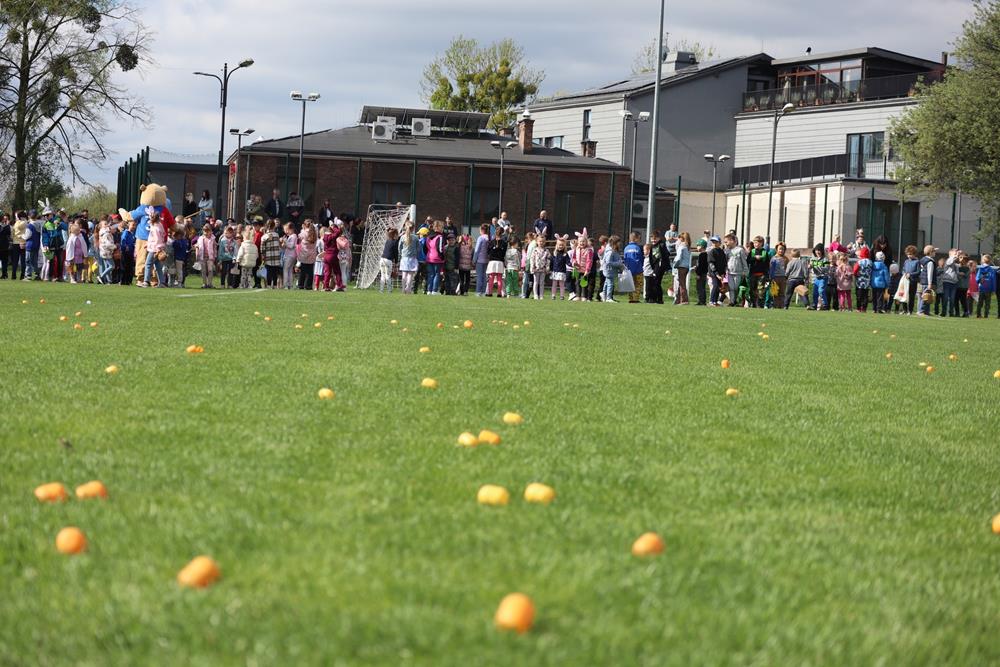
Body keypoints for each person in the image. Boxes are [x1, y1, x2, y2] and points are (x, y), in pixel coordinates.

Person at [139, 213, 166, 288]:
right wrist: (148, 244)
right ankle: (162, 282)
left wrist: (157, 250)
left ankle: (146, 281)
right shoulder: (159, 225)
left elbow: (157, 239)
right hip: (156, 248)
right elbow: (159, 237)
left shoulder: (155, 228)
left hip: (154, 249)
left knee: (148, 264)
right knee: (158, 266)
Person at [724, 234, 748, 307]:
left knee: (736, 287)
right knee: (731, 287)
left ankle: (737, 301)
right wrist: (725, 271)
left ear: (733, 241)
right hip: (730, 272)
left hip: (738, 272)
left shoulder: (740, 250)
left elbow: (744, 261)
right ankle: (732, 301)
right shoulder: (727, 251)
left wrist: (745, 271)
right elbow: (725, 261)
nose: (726, 243)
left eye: (727, 242)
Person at [398, 221, 419, 294]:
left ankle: (403, 289)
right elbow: (418, 248)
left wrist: (401, 254)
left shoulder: (402, 237)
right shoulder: (416, 237)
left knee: (404, 274)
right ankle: (408, 289)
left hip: (404, 258)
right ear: (413, 228)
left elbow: (399, 248)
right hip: (412, 258)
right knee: (410, 275)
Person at [601, 235, 624, 303]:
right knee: (610, 283)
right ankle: (608, 298)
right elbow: (608, 262)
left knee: (606, 283)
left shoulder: (613, 250)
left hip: (610, 270)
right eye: (618, 242)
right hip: (609, 270)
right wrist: (618, 263)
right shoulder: (610, 252)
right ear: (614, 243)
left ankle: (604, 296)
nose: (619, 244)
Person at [485, 227, 507, 297]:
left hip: (492, 262)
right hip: (500, 262)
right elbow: (504, 253)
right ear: (502, 233)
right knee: (499, 278)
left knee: (491, 278)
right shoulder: (504, 243)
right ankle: (499, 293)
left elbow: (488, 252)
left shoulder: (491, 242)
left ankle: (490, 293)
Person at [572, 233, 594, 302]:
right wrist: (574, 262)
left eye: (583, 241)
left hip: (585, 270)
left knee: (584, 283)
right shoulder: (577, 249)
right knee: (577, 283)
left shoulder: (589, 250)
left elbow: (589, 261)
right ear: (578, 242)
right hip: (578, 269)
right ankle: (578, 296)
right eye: (580, 241)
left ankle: (584, 296)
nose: (582, 243)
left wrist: (587, 270)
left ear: (586, 242)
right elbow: (574, 257)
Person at [623, 232, 644, 304]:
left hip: (629, 270)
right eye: (639, 238)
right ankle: (635, 299)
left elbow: (625, 259)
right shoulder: (637, 248)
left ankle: (631, 299)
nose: (640, 240)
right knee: (638, 284)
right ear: (635, 239)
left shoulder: (626, 248)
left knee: (630, 285)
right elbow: (641, 258)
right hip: (638, 270)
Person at [261, 221, 282, 289]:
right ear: (274, 226)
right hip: (276, 256)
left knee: (269, 272)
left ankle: (269, 285)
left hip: (268, 256)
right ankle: (275, 285)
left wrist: (263, 256)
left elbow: (262, 248)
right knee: (275, 272)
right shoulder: (277, 235)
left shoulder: (264, 236)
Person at [672, 231, 691, 305]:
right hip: (686, 267)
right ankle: (682, 299)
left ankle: (684, 300)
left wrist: (675, 264)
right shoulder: (687, 246)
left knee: (681, 284)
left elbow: (679, 257)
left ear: (682, 239)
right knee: (683, 283)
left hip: (681, 266)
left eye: (679, 238)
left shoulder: (681, 246)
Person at [707, 236, 727, 307]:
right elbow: (711, 263)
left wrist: (723, 273)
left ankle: (715, 301)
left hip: (720, 273)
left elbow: (724, 263)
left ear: (720, 243)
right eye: (713, 242)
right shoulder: (712, 252)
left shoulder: (722, 252)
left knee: (718, 286)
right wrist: (716, 274)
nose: (714, 243)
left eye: (716, 242)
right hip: (713, 273)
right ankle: (711, 301)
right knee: (715, 285)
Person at [195, 223, 216, 288]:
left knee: (210, 270)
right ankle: (204, 283)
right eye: (205, 231)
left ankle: (210, 283)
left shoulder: (213, 238)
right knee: (203, 271)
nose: (206, 232)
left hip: (210, 257)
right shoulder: (200, 238)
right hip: (202, 257)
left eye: (208, 231)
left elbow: (214, 248)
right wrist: (197, 255)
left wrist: (215, 256)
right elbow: (197, 247)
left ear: (211, 231)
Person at [530, 234, 550, 300]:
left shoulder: (546, 251)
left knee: (541, 282)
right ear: (537, 242)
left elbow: (548, 259)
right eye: (540, 241)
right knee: (535, 282)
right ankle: (535, 294)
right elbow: (532, 259)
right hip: (536, 269)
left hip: (543, 269)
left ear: (545, 242)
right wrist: (532, 267)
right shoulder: (534, 250)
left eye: (543, 241)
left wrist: (547, 267)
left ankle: (541, 295)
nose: (541, 243)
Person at [809, 244, 829, 310]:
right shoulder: (813, 258)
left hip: (823, 278)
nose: (818, 252)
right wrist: (810, 266)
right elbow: (810, 265)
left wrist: (815, 264)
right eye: (817, 250)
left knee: (821, 291)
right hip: (816, 278)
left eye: (819, 250)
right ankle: (814, 305)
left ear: (822, 251)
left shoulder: (825, 259)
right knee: (815, 292)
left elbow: (826, 268)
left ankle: (825, 305)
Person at [901, 245, 920, 315]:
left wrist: (910, 274)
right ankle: (904, 310)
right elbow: (903, 269)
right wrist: (904, 274)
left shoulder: (917, 261)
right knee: (904, 295)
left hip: (913, 281)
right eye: (908, 254)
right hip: (905, 281)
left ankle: (910, 310)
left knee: (911, 296)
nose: (909, 256)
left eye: (910, 254)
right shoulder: (906, 261)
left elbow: (918, 272)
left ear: (914, 254)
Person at [941, 250, 961, 317]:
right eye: (955, 254)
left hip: (954, 283)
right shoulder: (948, 261)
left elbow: (957, 272)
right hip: (947, 282)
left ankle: (951, 312)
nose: (956, 255)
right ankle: (943, 312)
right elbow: (950, 262)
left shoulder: (956, 264)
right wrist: (954, 256)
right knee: (946, 298)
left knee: (952, 299)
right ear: (950, 255)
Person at [854, 247, 873, 312]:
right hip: (867, 282)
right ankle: (864, 308)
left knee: (859, 295)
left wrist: (855, 275)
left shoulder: (859, 262)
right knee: (865, 296)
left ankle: (858, 308)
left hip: (859, 281)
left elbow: (855, 270)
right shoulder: (870, 262)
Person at [379, 228, 399, 292]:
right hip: (388, 260)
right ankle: (389, 290)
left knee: (383, 275)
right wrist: (396, 262)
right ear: (395, 234)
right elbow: (396, 253)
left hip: (382, 259)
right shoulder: (395, 242)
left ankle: (381, 290)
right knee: (388, 276)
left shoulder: (387, 241)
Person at [473, 223, 490, 296]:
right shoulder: (489, 238)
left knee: (479, 276)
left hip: (480, 260)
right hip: (487, 260)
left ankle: (478, 291)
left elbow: (477, 250)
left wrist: (474, 260)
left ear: (482, 230)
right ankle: (483, 291)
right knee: (484, 276)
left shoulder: (480, 238)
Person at [119, 220, 136, 286]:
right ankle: (122, 281)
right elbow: (123, 240)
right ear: (128, 225)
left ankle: (128, 281)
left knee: (130, 267)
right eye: (132, 225)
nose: (134, 226)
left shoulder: (133, 234)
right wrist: (125, 246)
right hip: (125, 252)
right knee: (124, 267)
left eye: (135, 225)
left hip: (131, 253)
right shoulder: (126, 232)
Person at [281, 223, 297, 289]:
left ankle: (285, 285)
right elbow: (288, 246)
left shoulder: (293, 236)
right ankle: (290, 284)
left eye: (288, 230)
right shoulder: (291, 236)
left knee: (286, 270)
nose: (286, 231)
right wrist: (284, 244)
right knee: (290, 270)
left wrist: (285, 241)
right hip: (291, 255)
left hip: (290, 256)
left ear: (292, 229)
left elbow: (291, 246)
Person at [336, 223, 352, 289]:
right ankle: (344, 286)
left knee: (339, 272)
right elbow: (348, 249)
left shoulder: (338, 239)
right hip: (345, 256)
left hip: (339, 256)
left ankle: (338, 286)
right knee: (343, 272)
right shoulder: (346, 239)